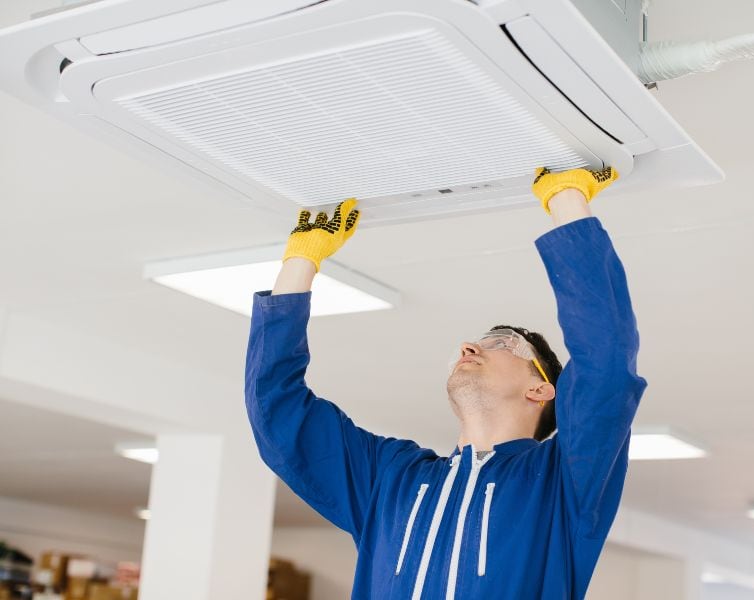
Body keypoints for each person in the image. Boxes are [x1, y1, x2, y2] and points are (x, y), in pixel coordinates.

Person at [245, 167, 647, 599]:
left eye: (502, 343)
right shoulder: (390, 477)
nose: (469, 347)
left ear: (541, 389)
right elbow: (279, 414)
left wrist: (566, 195)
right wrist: (302, 260)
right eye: (477, 341)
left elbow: (604, 365)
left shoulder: (562, 483)